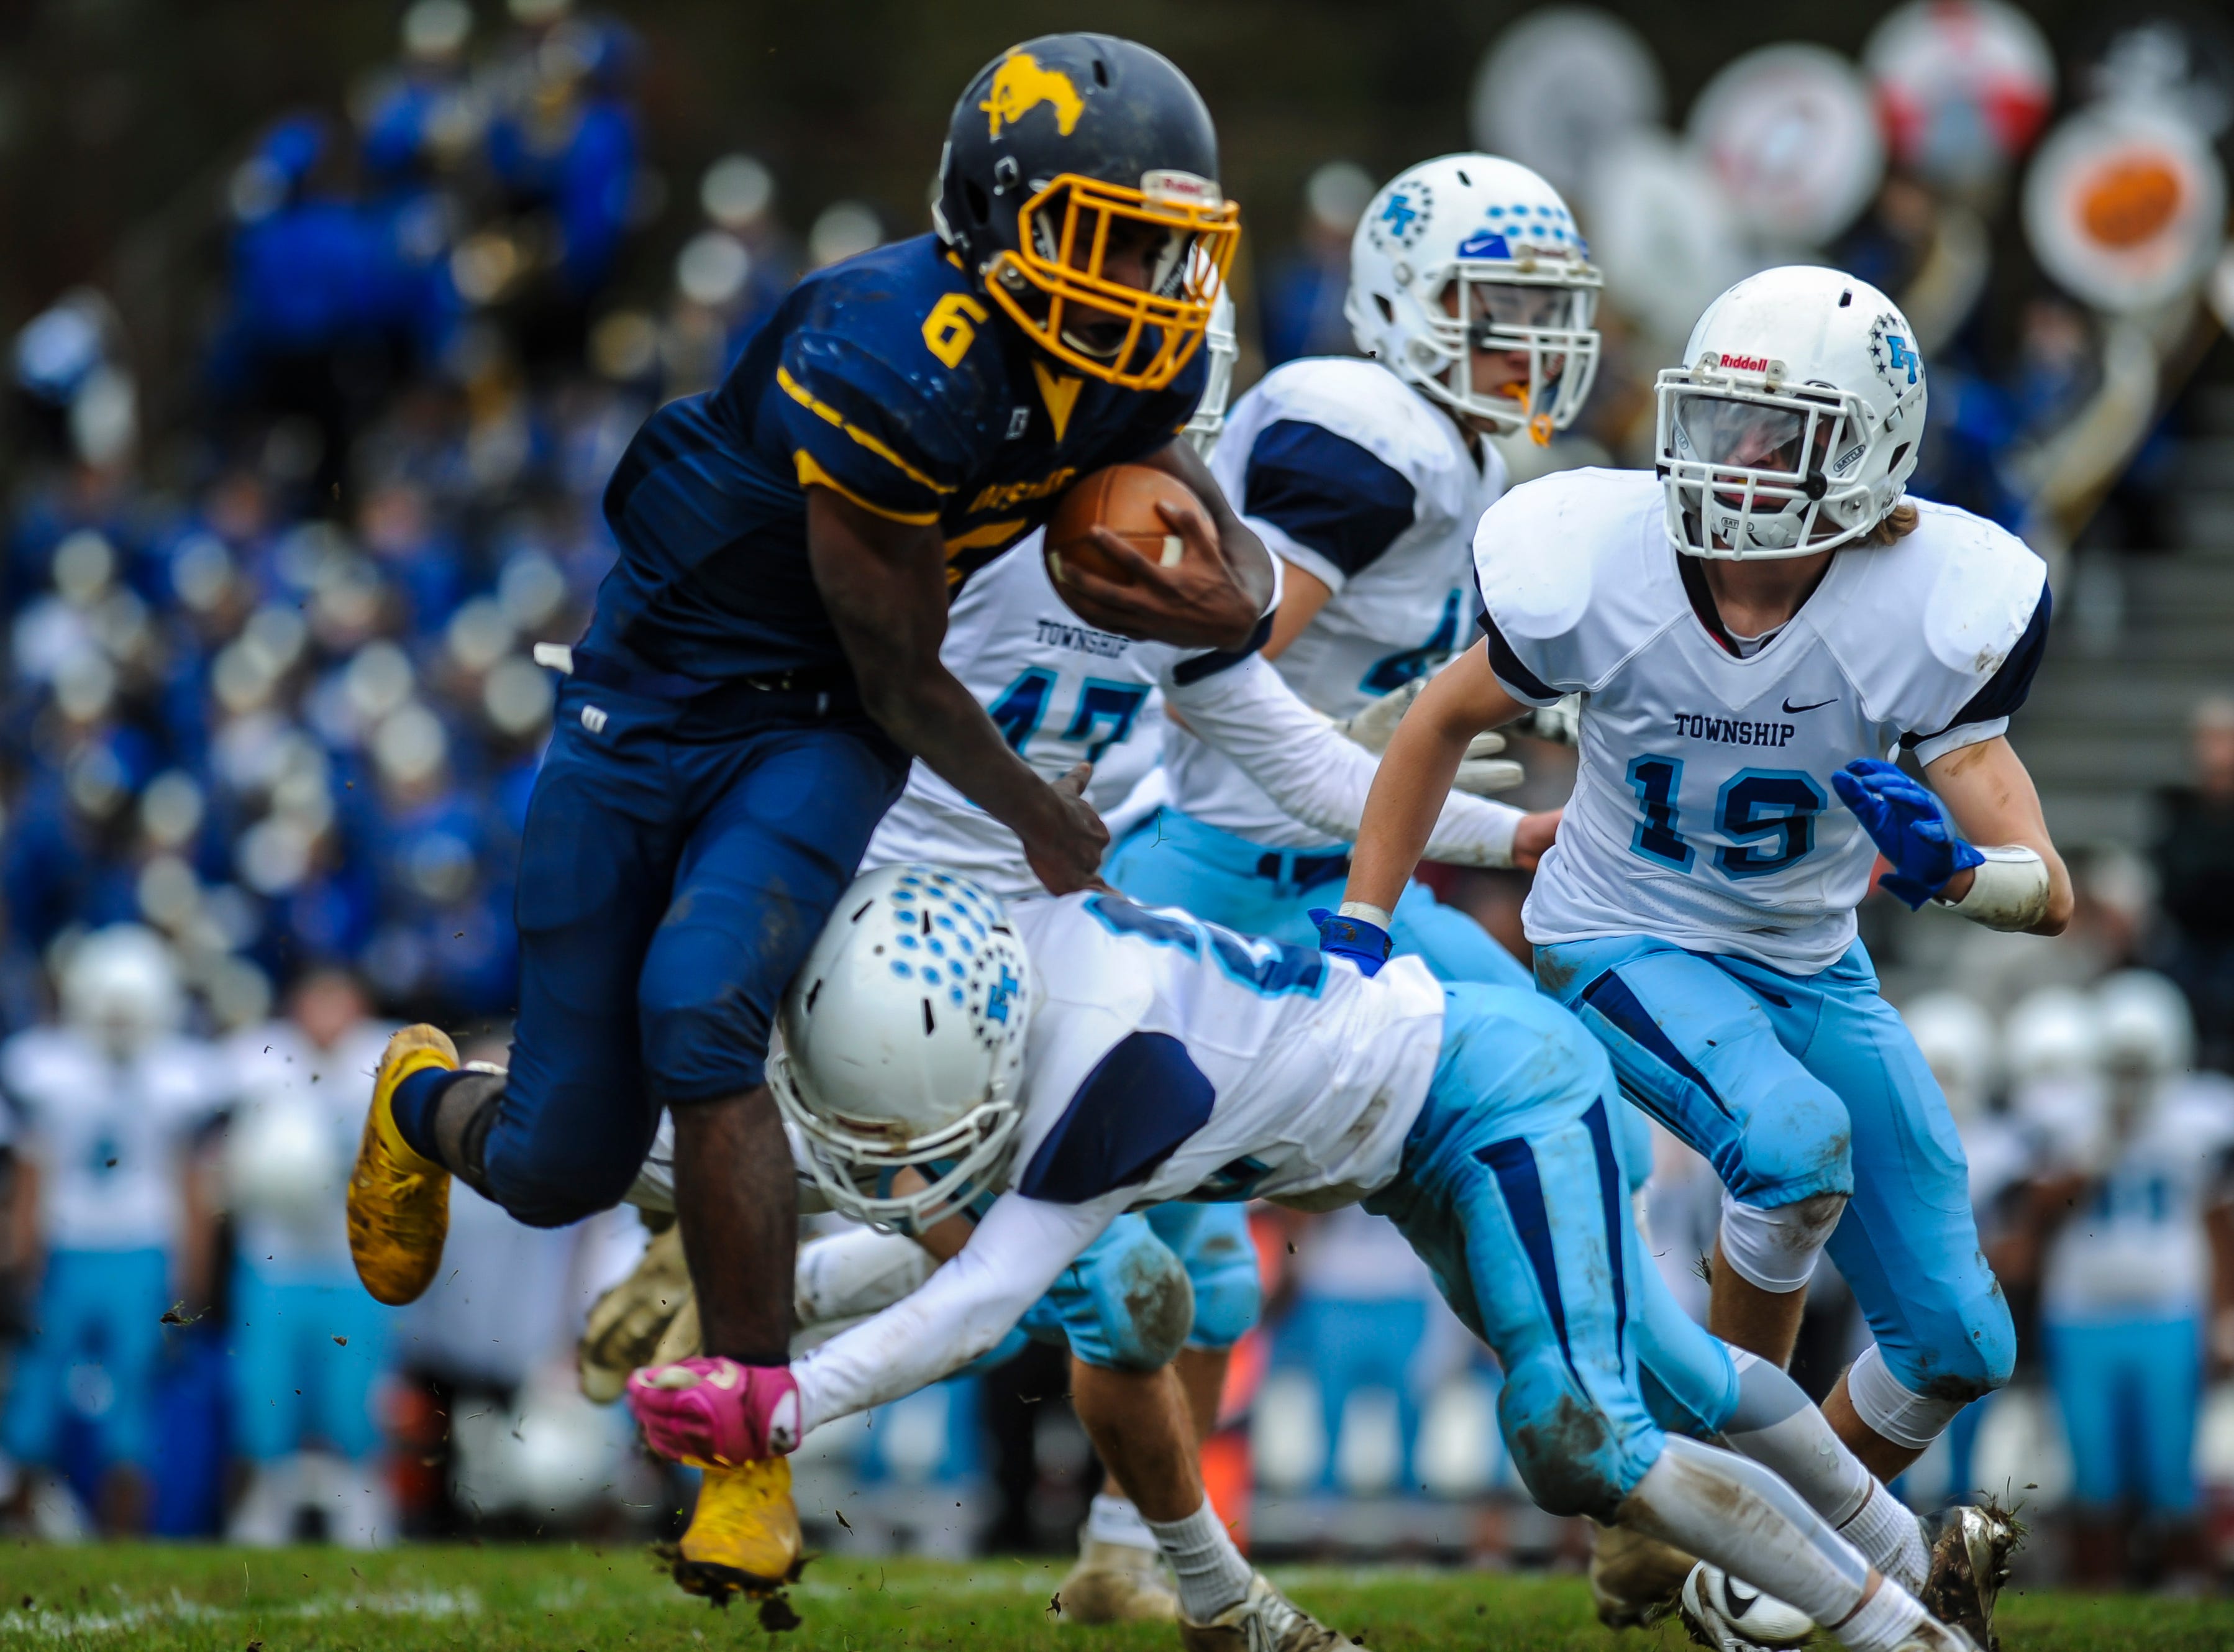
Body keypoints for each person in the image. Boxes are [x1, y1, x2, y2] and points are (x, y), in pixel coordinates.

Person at [346, 33, 1272, 1603]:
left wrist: (1232, 594)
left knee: (701, 1007)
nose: (1143, 283)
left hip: (816, 724)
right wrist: (1036, 816)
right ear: (1000, 215)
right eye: (1106, 238)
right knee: (561, 1158)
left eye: (1162, 246)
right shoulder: (886, 347)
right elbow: (902, 664)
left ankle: (746, 1460)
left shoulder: (1136, 361)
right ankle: (425, 1100)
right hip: (658, 701)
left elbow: (1187, 516)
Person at [627, 867, 1993, 1652]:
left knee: (1582, 1435)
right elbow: (969, 1251)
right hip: (1414, 1141)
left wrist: (785, 1394)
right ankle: (1909, 1550)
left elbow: (982, 1299)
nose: (905, 1156)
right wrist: (781, 1306)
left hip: (1490, 1096)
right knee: (1676, 1367)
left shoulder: (1108, 1072)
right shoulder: (1005, 949)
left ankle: (1905, 1637)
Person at [1335, 265, 2061, 1615]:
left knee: (1961, 1339)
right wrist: (1362, 921)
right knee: (1790, 1143)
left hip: (1810, 964)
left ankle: (1745, 1556)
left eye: (1781, 435)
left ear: (1869, 454)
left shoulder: (1925, 602)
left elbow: (2048, 887)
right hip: (1620, 936)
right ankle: (1734, 1519)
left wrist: (1961, 873)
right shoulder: (1601, 560)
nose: (1739, 460)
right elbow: (1436, 721)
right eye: (1723, 423)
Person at [1107, 152, 1593, 979]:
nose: (1534, 339)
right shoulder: (1371, 436)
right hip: (1205, 856)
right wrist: (1343, 747)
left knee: (1547, 1041)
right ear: (1401, 296)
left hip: (1344, 865)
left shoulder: (1470, 461)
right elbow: (1204, 682)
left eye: (1549, 308)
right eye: (1500, 304)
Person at [0, 927, 226, 1533]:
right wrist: (22, 1260)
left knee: (135, 1394)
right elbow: (33, 1169)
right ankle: (19, 1527)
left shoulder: (182, 1072)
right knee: (37, 1390)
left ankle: (123, 1536)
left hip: (144, 1248)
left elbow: (190, 1179)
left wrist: (194, 1277)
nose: (120, 1021)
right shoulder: (45, 1065)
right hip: (65, 1246)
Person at [2033, 972, 2234, 1587]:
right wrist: (2093, 1153)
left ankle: (2183, 1589)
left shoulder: (2200, 1114)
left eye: (2140, 1065)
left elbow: (2217, 1221)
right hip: (2079, 1313)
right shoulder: (2066, 1114)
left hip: (2169, 1310)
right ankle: (2100, 1591)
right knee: (2093, 1470)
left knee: (2172, 1466)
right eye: (2119, 1065)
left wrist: (2224, 1314)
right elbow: (2036, 1212)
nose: (2130, 1079)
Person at [223, 969, 399, 1547]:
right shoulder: (259, 1057)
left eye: (337, 1001)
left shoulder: (387, 1056)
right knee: (266, 1392)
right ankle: (265, 1501)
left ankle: (365, 1505)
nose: (325, 1016)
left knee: (355, 1397)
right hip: (275, 1259)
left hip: (354, 1262)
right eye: (315, 1001)